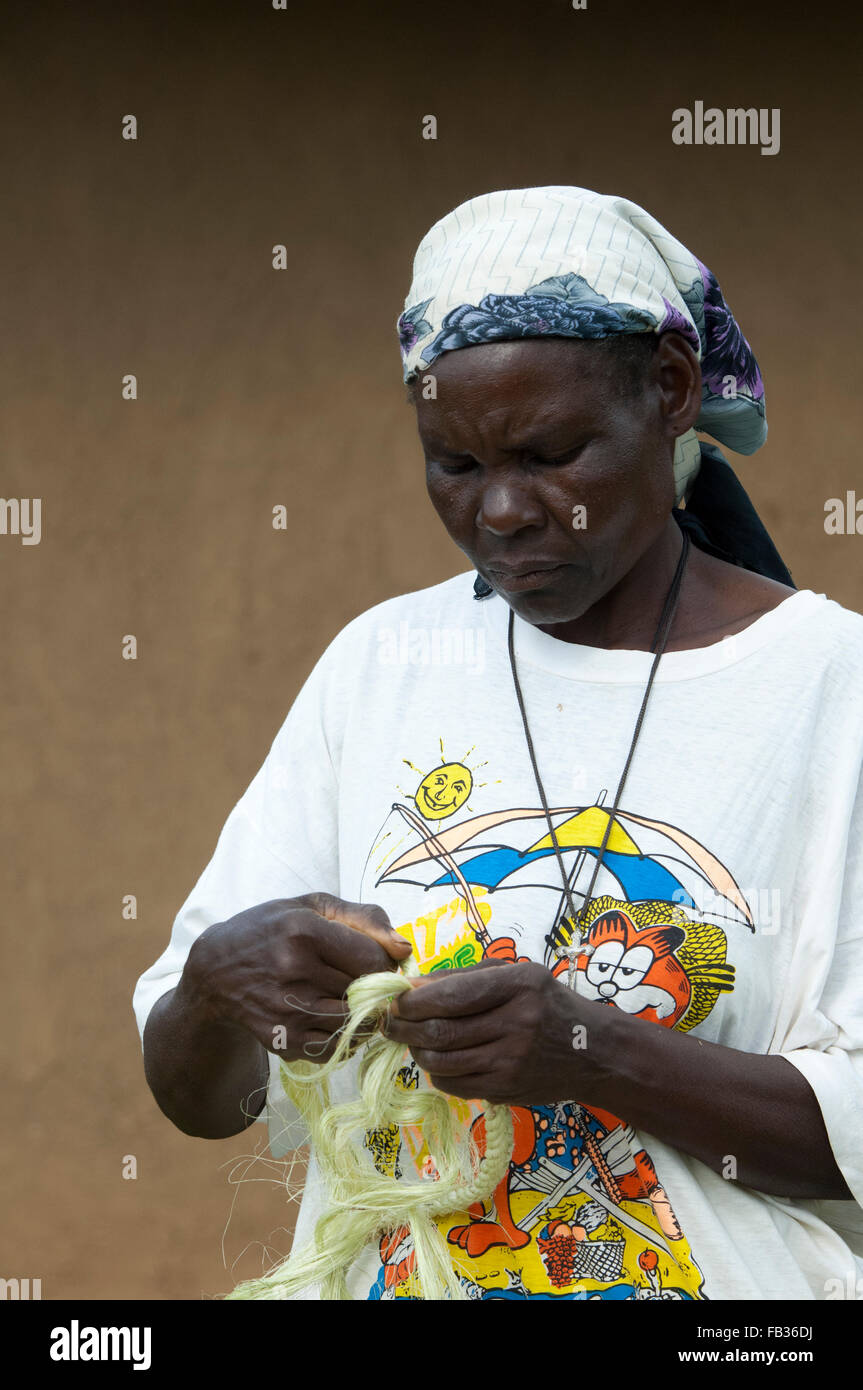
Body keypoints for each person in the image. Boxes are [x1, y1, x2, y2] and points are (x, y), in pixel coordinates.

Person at [135, 186, 863, 1301]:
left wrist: (592, 1051)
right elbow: (203, 1099)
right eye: (455, 465)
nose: (505, 512)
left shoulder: (827, 685)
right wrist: (213, 985)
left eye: (549, 451)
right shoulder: (381, 662)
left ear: (669, 392)